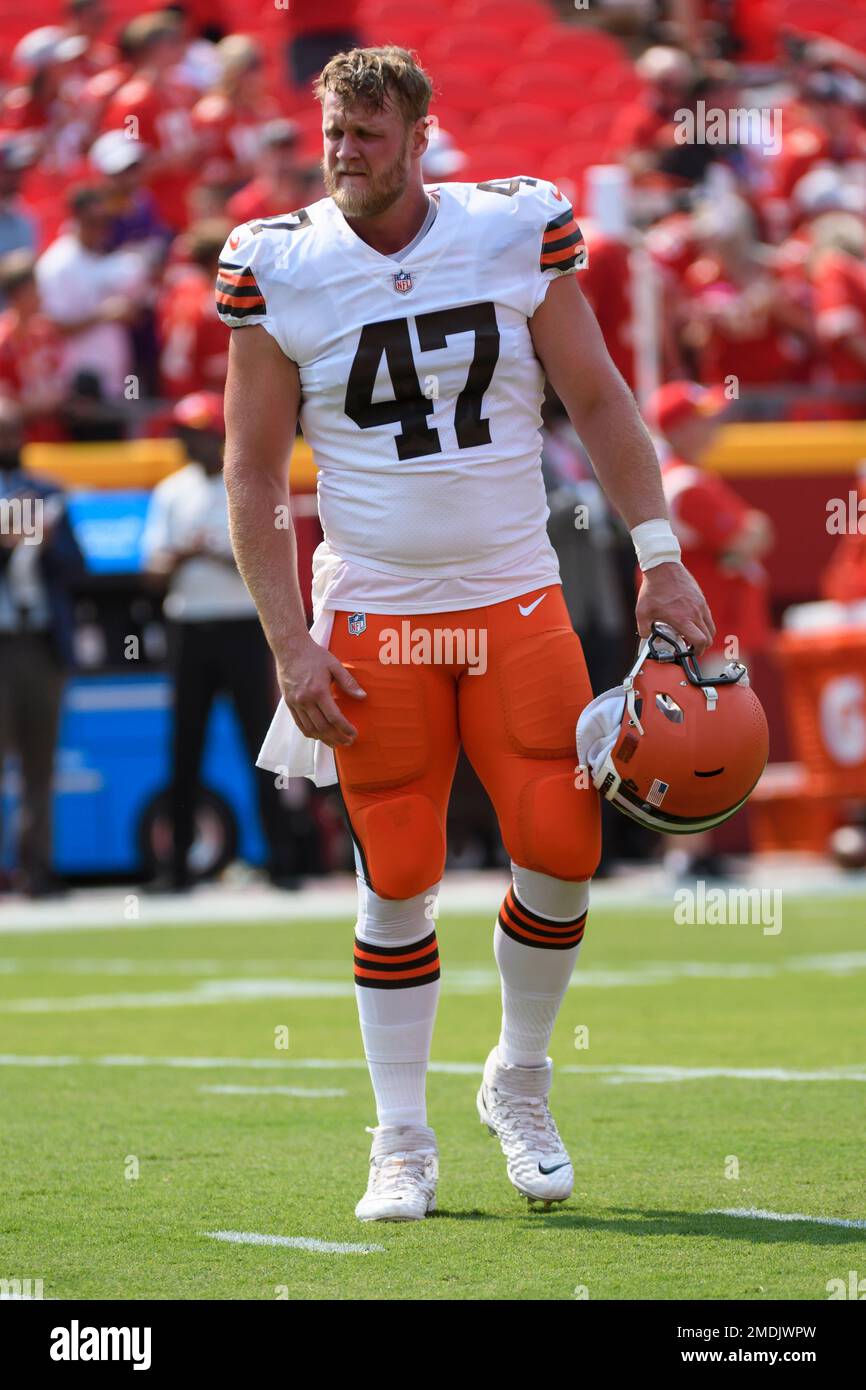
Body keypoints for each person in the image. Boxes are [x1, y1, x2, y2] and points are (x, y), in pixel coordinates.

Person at [217, 46, 713, 1222]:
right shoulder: (276, 261)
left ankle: (519, 1078)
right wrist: (290, 643)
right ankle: (398, 1136)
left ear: (422, 132)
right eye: (334, 133)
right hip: (378, 605)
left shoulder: (508, 228)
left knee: (559, 841)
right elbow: (249, 473)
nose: (346, 154)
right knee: (397, 868)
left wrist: (658, 557)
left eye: (370, 135)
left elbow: (596, 398)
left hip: (509, 591)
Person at [140, 391, 303, 892]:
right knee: (184, 747)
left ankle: (283, 860)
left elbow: (269, 560)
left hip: (241, 627)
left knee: (260, 745)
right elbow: (151, 572)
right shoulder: (171, 492)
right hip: (189, 628)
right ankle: (178, 868)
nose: (187, 444)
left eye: (195, 435)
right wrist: (185, 554)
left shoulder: (246, 483)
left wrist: (210, 555)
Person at [647, 378, 774, 878]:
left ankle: (693, 848)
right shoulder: (686, 482)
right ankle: (688, 851)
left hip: (697, 634)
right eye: (702, 417)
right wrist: (750, 533)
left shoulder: (682, 476)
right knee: (698, 745)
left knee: (703, 744)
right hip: (701, 636)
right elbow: (752, 534)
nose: (713, 425)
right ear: (679, 426)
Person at [0, 398, 84, 897]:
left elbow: (79, 568)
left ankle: (37, 869)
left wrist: (46, 540)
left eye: (13, 431)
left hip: (39, 644)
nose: (8, 441)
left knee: (40, 764)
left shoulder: (47, 492)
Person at [35, 184, 148, 401]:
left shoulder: (108, 258)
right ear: (76, 219)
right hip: (77, 379)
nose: (100, 229)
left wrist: (129, 312)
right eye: (92, 222)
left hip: (117, 376)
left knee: (121, 430)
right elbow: (53, 327)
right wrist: (104, 314)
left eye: (105, 222)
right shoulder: (58, 264)